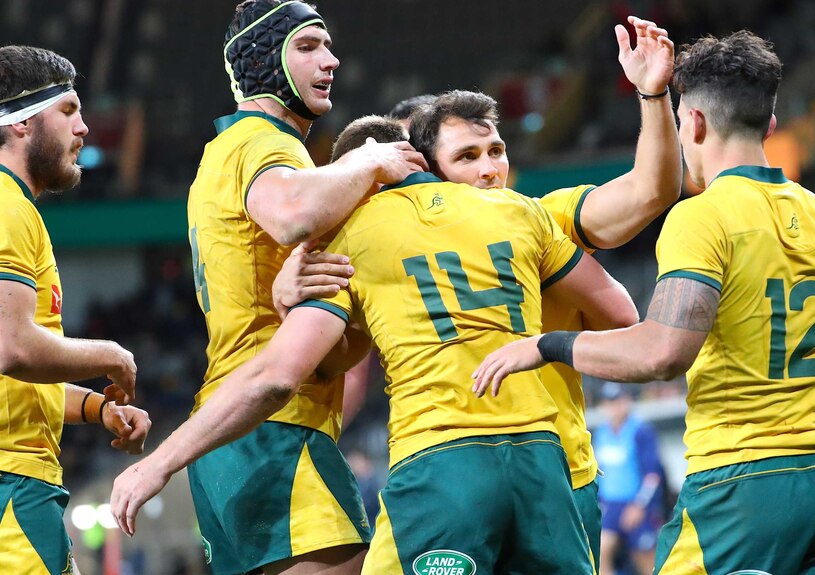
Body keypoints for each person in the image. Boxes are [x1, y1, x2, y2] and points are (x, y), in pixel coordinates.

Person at [112, 114, 639, 574]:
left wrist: (159, 463)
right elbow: (621, 315)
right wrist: (543, 342)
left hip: (442, 458)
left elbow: (276, 375)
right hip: (548, 463)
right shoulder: (519, 211)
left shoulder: (353, 236)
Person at [474, 30, 815, 574]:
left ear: (694, 124)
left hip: (741, 486)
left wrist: (549, 345)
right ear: (769, 125)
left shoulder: (704, 217)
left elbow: (662, 353)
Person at [402, 16, 679, 569]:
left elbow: (652, 190)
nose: (490, 170)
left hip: (558, 475)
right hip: (451, 474)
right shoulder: (391, 243)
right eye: (469, 157)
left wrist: (651, 95)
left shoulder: (544, 219)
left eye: (496, 151)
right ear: (425, 172)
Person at [179, 2, 427, 574]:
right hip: (273, 424)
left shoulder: (223, 152)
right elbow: (290, 213)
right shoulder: (264, 144)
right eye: (309, 46)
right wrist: (371, 159)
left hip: (232, 426)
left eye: (328, 46)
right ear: (264, 59)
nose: (331, 60)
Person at [0, 45, 150, 575]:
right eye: (69, 111)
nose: (85, 128)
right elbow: (13, 348)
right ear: (20, 123)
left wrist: (97, 409)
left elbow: (12, 378)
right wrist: (110, 353)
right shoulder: (8, 207)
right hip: (12, 487)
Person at [592, 383, 663, 575]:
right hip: (610, 505)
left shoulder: (641, 431)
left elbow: (652, 474)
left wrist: (640, 505)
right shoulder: (601, 433)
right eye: (608, 402)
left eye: (617, 401)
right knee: (600, 552)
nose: (613, 407)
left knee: (645, 559)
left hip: (635, 505)